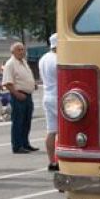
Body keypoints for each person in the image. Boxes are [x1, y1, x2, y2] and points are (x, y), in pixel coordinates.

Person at [2, 42, 38, 154]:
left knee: (27, 121)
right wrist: (17, 94)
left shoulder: (23, 62)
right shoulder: (10, 64)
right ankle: (17, 146)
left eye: (23, 49)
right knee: (18, 121)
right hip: (19, 96)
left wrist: (32, 84)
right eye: (19, 49)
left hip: (28, 95)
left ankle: (25, 143)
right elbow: (7, 83)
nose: (22, 51)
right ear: (13, 51)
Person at [39, 34, 59, 171]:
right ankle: (62, 160)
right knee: (65, 130)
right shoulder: (58, 59)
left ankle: (52, 161)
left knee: (51, 130)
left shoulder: (43, 59)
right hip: (58, 96)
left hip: (47, 95)